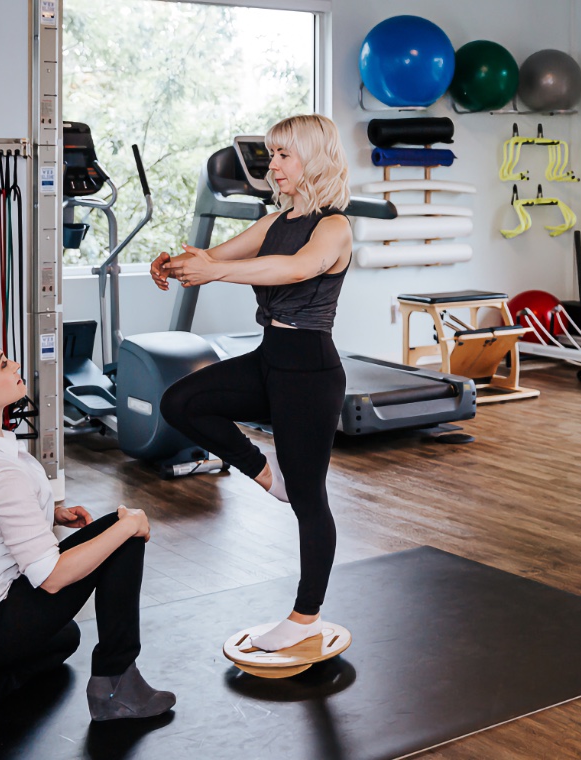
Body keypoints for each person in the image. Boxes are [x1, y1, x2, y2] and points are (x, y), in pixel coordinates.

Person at [152, 114, 353, 652]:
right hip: (269, 359)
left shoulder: (334, 227)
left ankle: (305, 616)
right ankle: (270, 474)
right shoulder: (277, 219)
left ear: (313, 157)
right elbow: (214, 257)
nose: (274, 166)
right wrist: (177, 264)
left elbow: (294, 270)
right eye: (271, 154)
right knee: (182, 402)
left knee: (312, 502)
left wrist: (214, 272)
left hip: (309, 372)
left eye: (284, 155)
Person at [0, 339, 174, 733]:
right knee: (123, 529)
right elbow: (51, 576)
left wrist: (52, 514)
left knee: (66, 638)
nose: (14, 367)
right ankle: (117, 688)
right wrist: (129, 526)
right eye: (3, 363)